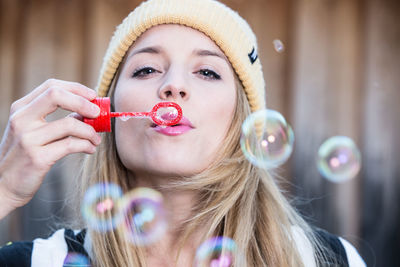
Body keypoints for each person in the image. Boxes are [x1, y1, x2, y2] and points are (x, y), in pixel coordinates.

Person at [0, 0, 366, 266]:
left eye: (207, 72)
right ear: (107, 112)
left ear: (247, 122)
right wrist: (4, 190)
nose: (173, 86)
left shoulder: (330, 260)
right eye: (146, 70)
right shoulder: (36, 262)